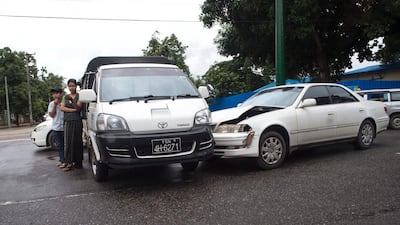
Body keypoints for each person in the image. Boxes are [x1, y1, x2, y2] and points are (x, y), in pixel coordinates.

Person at [61, 79, 83, 171]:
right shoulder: (65, 97)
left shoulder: (79, 96)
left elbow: (79, 107)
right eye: (69, 86)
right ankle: (68, 162)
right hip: (68, 121)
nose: (71, 88)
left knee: (77, 142)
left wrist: (72, 101)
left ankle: (78, 163)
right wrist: (73, 110)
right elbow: (62, 108)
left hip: (77, 121)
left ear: (76, 86)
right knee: (68, 142)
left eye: (73, 86)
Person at [48, 87, 64, 167]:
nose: (56, 95)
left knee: (67, 145)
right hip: (56, 128)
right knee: (59, 145)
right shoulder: (51, 104)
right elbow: (52, 115)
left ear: (61, 94)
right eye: (54, 93)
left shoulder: (65, 102)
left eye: (57, 93)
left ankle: (67, 161)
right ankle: (62, 160)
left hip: (65, 128)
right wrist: (55, 105)